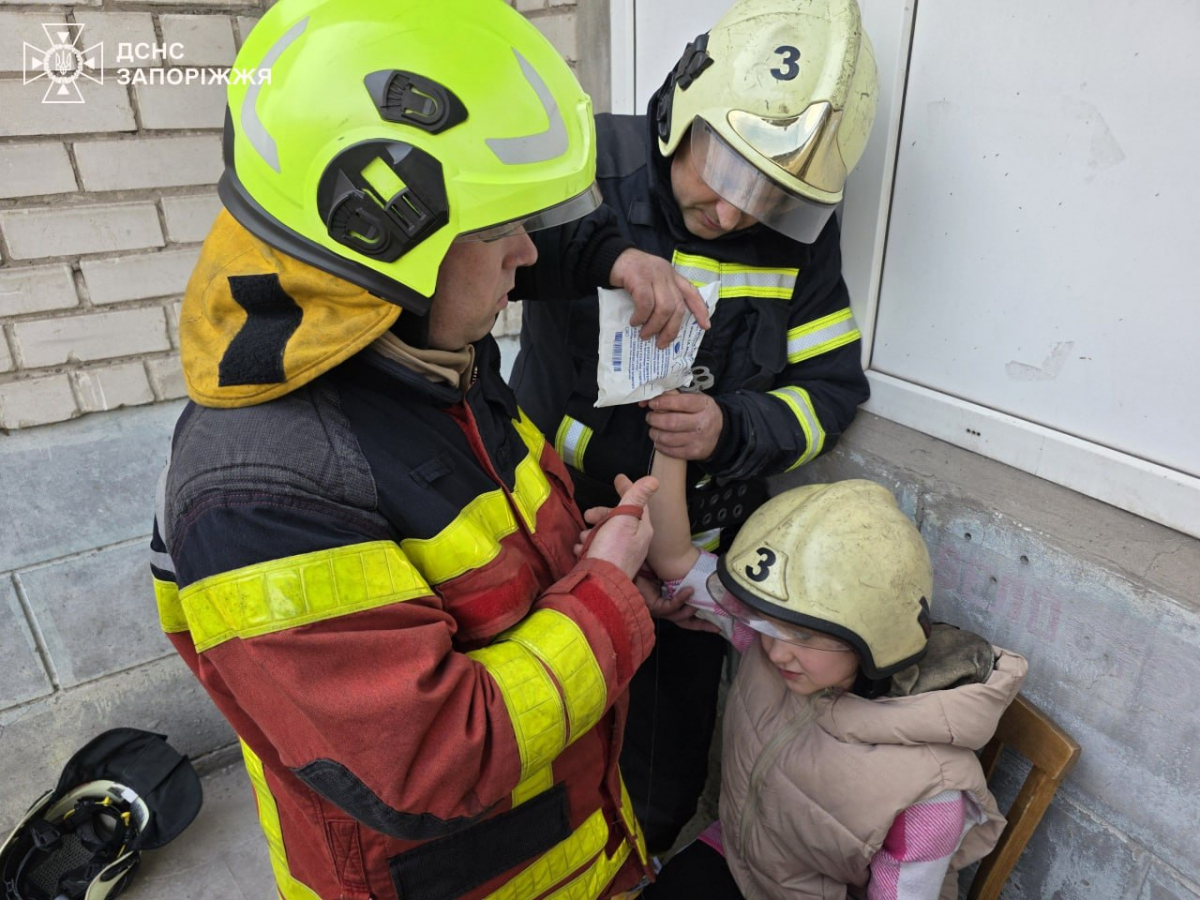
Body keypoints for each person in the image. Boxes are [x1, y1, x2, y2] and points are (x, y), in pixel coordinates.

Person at [147, 2, 668, 897]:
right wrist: (607, 590)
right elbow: (434, 761)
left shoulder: (428, 355)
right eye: (497, 225)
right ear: (377, 227)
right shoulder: (257, 491)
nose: (524, 255)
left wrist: (564, 564)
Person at [512, 0, 880, 850]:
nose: (739, 216)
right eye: (735, 180)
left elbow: (830, 389)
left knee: (660, 765)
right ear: (682, 110)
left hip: (691, 568)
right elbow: (466, 273)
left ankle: (638, 854)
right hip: (559, 524)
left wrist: (729, 428)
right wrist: (602, 253)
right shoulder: (589, 163)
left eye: (777, 197)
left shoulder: (797, 241)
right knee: (541, 734)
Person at [629, 449, 1027, 900]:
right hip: (739, 856)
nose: (776, 650)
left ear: (874, 635)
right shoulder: (772, 646)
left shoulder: (928, 795)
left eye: (804, 635)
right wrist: (668, 442)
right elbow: (675, 559)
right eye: (765, 622)